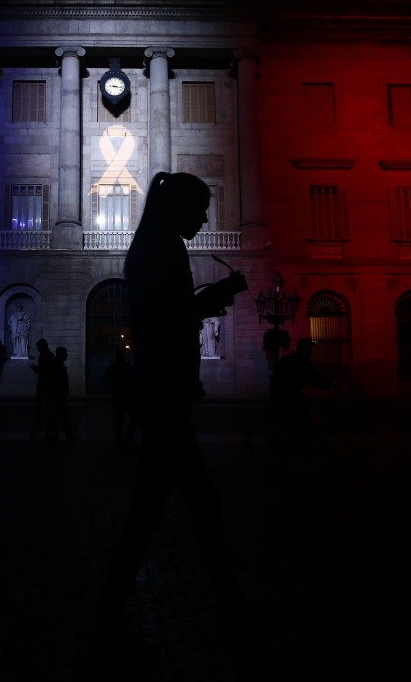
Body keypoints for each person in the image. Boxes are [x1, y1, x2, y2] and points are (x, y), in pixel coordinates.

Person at [89, 171, 264, 669]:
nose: (206, 218)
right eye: (201, 208)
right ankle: (109, 628)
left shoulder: (155, 246)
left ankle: (237, 614)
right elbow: (165, 322)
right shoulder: (163, 250)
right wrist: (215, 297)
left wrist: (208, 300)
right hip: (165, 398)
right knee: (164, 518)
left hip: (163, 397)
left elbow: (161, 317)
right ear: (179, 209)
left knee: (181, 513)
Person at [271, 338, 340, 452]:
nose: (311, 351)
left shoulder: (297, 358)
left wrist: (323, 385)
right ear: (305, 349)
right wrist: (329, 385)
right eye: (310, 348)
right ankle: (305, 442)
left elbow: (312, 377)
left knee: (305, 408)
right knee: (304, 413)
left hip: (288, 390)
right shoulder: (301, 359)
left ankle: (302, 437)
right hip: (289, 391)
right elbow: (314, 376)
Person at [102, 348, 136, 447]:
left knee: (120, 419)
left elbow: (105, 381)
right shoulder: (128, 367)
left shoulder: (113, 368)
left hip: (117, 397)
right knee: (132, 417)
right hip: (127, 397)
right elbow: (134, 380)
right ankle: (127, 437)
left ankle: (120, 439)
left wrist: (112, 388)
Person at [45, 346, 78, 445]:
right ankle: (64, 436)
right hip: (57, 396)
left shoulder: (57, 364)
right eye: (65, 354)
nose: (66, 356)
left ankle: (55, 436)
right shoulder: (58, 365)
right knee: (59, 417)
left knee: (59, 417)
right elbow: (58, 381)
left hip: (57, 395)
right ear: (61, 355)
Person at [29, 338, 56, 439]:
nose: (38, 348)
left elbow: (43, 371)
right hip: (48, 385)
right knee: (48, 407)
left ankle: (42, 425)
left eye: (38, 347)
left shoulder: (44, 356)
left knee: (43, 407)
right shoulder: (50, 355)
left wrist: (36, 369)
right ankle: (47, 426)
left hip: (44, 384)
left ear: (42, 346)